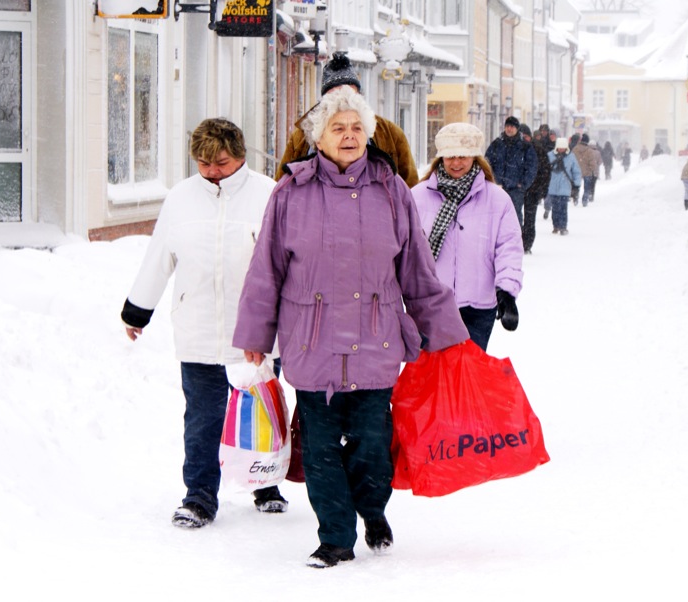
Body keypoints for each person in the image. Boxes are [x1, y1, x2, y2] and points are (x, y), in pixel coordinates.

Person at [232, 87, 469, 569]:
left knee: (371, 450)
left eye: (357, 128)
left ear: (369, 135)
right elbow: (266, 270)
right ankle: (335, 538)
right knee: (319, 450)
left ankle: (373, 511)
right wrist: (256, 336)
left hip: (375, 340)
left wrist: (448, 336)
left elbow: (418, 271)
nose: (349, 135)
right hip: (311, 342)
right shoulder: (290, 192)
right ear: (319, 137)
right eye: (338, 128)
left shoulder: (391, 190)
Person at [120, 118, 278, 529]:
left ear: (241, 156)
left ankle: (265, 483)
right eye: (203, 164)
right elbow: (160, 255)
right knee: (203, 418)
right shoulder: (181, 198)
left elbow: (286, 263)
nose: (212, 172)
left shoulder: (268, 194)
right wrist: (138, 310)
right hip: (198, 325)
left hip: (255, 329)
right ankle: (199, 496)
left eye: (221, 163)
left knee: (259, 412)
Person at [411, 122, 523, 351]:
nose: (456, 163)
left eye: (462, 156)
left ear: (474, 157)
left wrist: (507, 292)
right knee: (433, 379)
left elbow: (508, 248)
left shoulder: (497, 199)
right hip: (431, 304)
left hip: (478, 307)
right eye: (449, 156)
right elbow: (404, 250)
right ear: (440, 157)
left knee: (468, 379)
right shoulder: (417, 197)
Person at [274, 51, 418, 187]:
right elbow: (282, 185)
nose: (342, 101)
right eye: (334, 96)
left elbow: (410, 189)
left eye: (349, 94)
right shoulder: (301, 137)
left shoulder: (391, 134)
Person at [484, 115, 538, 225]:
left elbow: (531, 167)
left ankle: (515, 239)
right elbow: (486, 163)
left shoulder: (525, 146)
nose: (509, 129)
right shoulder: (497, 144)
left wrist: (522, 184)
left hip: (516, 189)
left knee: (514, 215)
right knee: (496, 216)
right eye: (507, 126)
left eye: (512, 126)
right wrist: (491, 180)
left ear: (517, 128)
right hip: (498, 187)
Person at [520, 123, 551, 254]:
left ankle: (526, 244)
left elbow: (546, 170)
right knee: (515, 216)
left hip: (533, 189)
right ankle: (516, 242)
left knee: (529, 218)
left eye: (525, 136)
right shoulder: (514, 148)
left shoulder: (537, 149)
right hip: (516, 189)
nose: (523, 138)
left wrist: (543, 190)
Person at [544, 137, 582, 236]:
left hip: (565, 187)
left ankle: (563, 226)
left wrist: (577, 184)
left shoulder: (571, 157)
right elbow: (544, 171)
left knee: (563, 208)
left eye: (563, 148)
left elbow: (576, 172)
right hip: (552, 187)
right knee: (555, 208)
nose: (561, 150)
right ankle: (555, 225)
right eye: (560, 148)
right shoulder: (549, 156)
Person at [572, 133, 601, 207]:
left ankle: (575, 196)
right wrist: (592, 169)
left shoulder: (575, 149)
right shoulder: (589, 150)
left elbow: (571, 159)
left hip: (577, 171)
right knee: (587, 187)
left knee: (576, 185)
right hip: (587, 171)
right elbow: (592, 161)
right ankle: (585, 200)